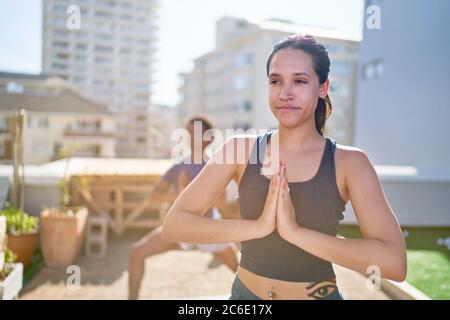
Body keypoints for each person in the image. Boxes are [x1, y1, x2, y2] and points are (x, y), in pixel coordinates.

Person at [161, 35, 407, 300]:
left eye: (299, 81)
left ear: (323, 88)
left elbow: (393, 263)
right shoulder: (239, 151)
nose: (284, 93)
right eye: (275, 81)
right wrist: (259, 227)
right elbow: (175, 225)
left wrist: (295, 233)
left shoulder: (350, 163)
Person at [128, 116, 239, 300]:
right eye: (188, 132)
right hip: (179, 228)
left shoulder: (216, 167)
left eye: (195, 132)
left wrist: (196, 193)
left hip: (208, 229)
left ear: (207, 138)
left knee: (243, 271)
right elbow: (153, 197)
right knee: (136, 253)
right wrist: (179, 194)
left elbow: (221, 205)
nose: (190, 136)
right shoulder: (179, 167)